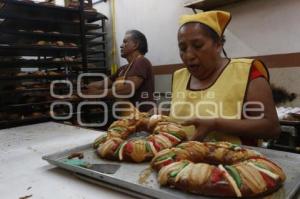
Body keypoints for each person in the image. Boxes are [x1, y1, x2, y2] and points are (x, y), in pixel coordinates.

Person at [165, 11, 280, 146]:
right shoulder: (179, 76)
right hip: (181, 162)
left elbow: (271, 128)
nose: (189, 55)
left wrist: (216, 124)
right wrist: (165, 115)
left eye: (197, 46)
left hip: (234, 162)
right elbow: (189, 112)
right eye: (182, 48)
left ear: (218, 45)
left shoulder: (246, 73)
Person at [86, 30, 155, 112]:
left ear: (135, 45)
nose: (121, 46)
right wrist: (87, 87)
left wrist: (97, 93)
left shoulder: (141, 61)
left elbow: (128, 89)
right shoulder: (122, 69)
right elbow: (102, 84)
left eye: (125, 42)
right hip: (126, 115)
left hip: (142, 116)